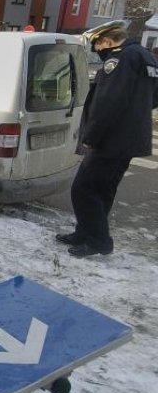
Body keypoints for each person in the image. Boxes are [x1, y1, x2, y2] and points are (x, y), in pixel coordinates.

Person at [56, 20, 158, 257]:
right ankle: (85, 233)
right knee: (103, 190)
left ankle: (99, 241)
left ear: (107, 41)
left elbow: (108, 103)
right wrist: (135, 114)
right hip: (129, 139)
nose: (99, 51)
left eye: (98, 46)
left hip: (110, 140)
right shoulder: (146, 57)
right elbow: (153, 97)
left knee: (83, 189)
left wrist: (91, 137)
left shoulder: (119, 60)